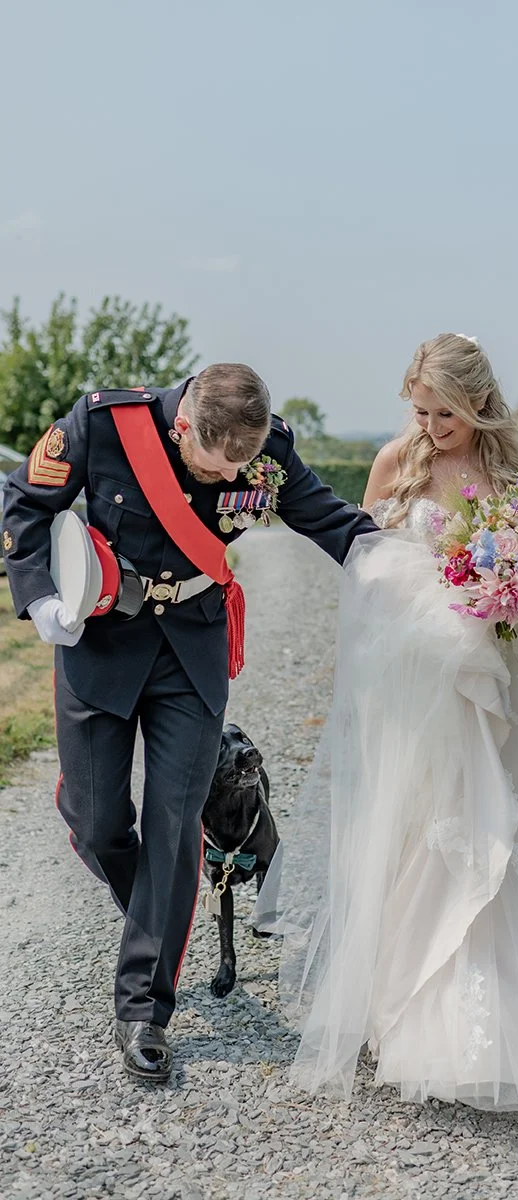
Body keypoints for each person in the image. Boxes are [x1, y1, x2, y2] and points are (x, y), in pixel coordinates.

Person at [252, 333, 518, 1114]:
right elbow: (366, 574)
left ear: (479, 404)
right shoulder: (392, 464)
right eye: (420, 410)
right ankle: (406, 1009)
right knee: (419, 830)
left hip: (496, 679)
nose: (432, 427)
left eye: (447, 413)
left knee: (499, 828)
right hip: (412, 686)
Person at [1, 363, 377, 1082]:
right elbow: (24, 499)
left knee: (172, 822)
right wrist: (41, 596)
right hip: (101, 640)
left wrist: (413, 565)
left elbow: (329, 519)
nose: (231, 474)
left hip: (193, 647)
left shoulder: (268, 446)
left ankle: (144, 1007)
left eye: (245, 461)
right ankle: (155, 896)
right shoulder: (105, 423)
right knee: (97, 821)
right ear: (181, 428)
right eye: (218, 461)